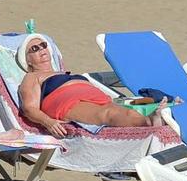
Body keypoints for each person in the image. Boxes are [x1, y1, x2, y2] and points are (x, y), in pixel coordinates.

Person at [13, 34, 159, 135]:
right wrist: (48, 122)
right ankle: (150, 124)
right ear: (28, 61)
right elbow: (29, 108)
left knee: (127, 112)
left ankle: (151, 121)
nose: (41, 49)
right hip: (66, 102)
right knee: (107, 115)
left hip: (96, 97)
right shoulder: (32, 77)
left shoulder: (62, 73)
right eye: (34, 49)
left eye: (43, 45)